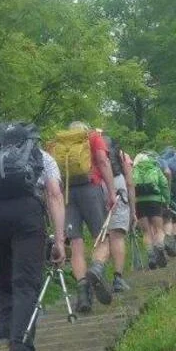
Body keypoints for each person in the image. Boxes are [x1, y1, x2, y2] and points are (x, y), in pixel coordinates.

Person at [0, 122, 66, 351]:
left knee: (1, 282)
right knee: (25, 284)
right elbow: (54, 195)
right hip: (27, 213)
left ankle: (3, 338)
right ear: (31, 139)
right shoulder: (42, 157)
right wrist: (60, 239)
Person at [49, 122, 116, 313]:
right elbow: (103, 161)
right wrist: (111, 192)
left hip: (67, 193)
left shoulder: (58, 144)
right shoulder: (93, 137)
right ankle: (96, 268)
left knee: (76, 244)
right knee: (102, 238)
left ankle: (83, 294)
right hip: (91, 189)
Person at [98, 129, 137, 293]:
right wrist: (133, 211)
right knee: (117, 235)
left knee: (103, 236)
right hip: (117, 185)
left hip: (96, 188)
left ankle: (97, 268)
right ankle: (118, 279)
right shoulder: (121, 154)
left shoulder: (89, 150)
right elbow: (129, 182)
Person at [131, 151, 170, 269]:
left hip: (139, 203)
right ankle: (160, 247)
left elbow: (131, 186)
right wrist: (166, 200)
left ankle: (151, 255)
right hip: (155, 201)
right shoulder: (155, 168)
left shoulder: (134, 170)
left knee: (146, 232)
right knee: (159, 229)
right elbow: (164, 184)